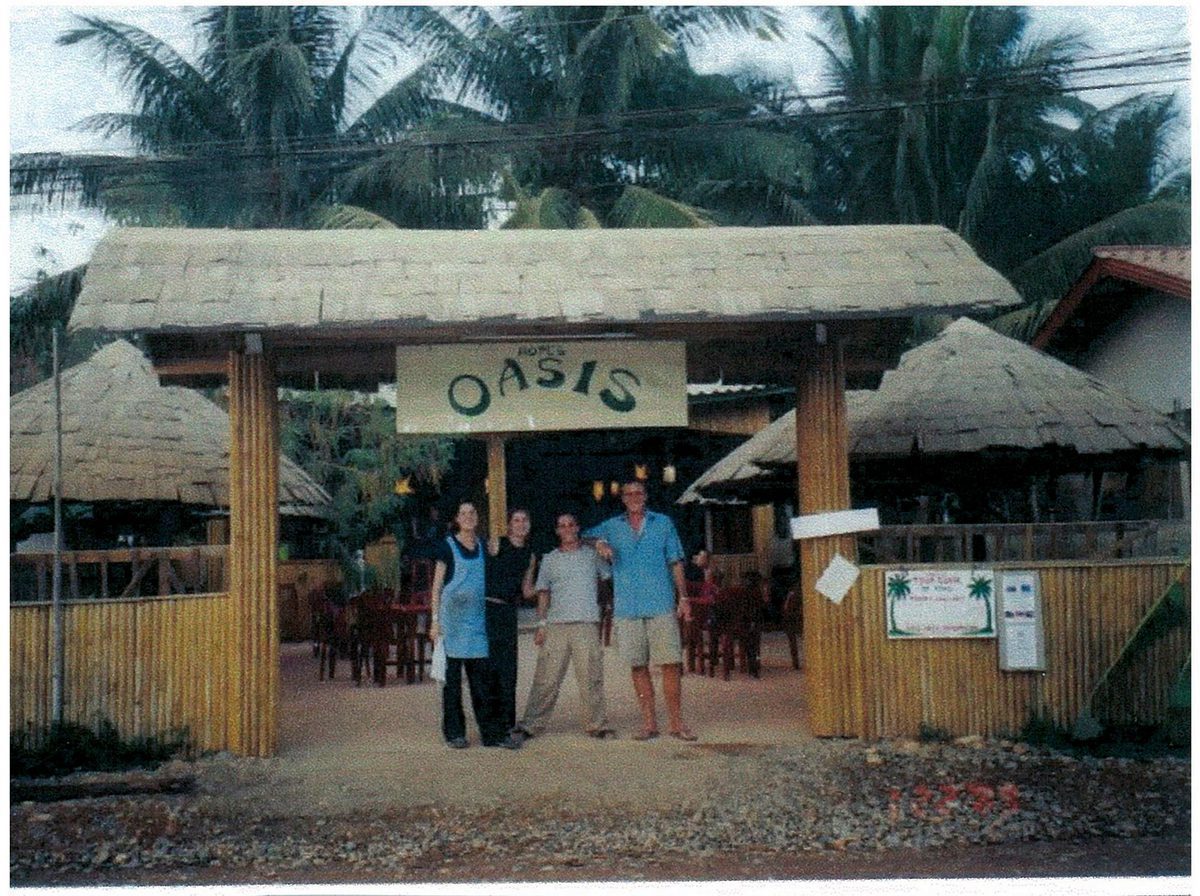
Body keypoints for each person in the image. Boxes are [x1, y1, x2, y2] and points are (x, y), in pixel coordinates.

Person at [587, 480, 696, 742]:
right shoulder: (612, 526)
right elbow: (585, 534)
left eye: (639, 493)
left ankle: (676, 723)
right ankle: (649, 724)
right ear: (622, 499)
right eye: (629, 494)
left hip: (660, 604)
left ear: (645, 497)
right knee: (637, 666)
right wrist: (599, 542)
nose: (634, 497)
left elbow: (676, 562)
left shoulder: (663, 523)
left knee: (670, 664)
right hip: (628, 607)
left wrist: (683, 597)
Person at [427, 500, 520, 750]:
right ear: (457, 519)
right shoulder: (446, 547)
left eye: (472, 513)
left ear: (477, 519)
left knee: (483, 683)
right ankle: (455, 734)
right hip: (451, 625)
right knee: (452, 685)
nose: (468, 517)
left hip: (477, 625)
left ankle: (492, 735)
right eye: (463, 513)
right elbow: (436, 588)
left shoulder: (484, 547)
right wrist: (435, 622)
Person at [514, 512, 614, 741]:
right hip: (556, 624)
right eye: (562, 526)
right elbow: (543, 594)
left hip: (586, 623)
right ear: (557, 531)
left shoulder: (592, 556)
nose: (567, 529)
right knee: (546, 678)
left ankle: (597, 724)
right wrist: (541, 624)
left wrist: (604, 610)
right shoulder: (549, 559)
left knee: (591, 676)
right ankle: (531, 724)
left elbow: (606, 580)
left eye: (571, 524)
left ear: (577, 527)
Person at [485, 508, 537, 735]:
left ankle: (507, 722)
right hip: (488, 609)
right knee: (489, 667)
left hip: (508, 612)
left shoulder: (530, 555)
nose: (520, 523)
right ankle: (489, 722)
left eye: (525, 520)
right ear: (509, 525)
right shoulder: (496, 543)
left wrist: (550, 588)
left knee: (508, 668)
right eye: (516, 520)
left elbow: (526, 591)